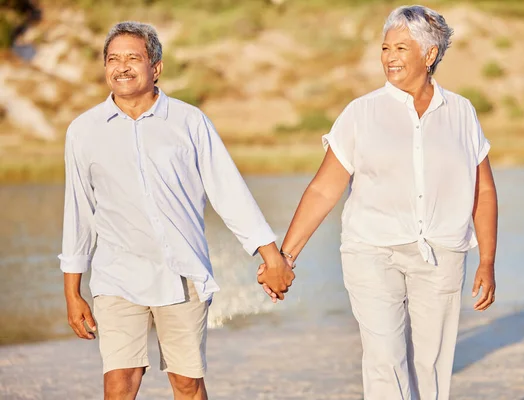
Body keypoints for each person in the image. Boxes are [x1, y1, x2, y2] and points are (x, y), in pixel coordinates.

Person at [258, 5, 498, 400]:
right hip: (371, 250)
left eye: (401, 48)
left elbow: (483, 191)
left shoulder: (462, 113)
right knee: (385, 359)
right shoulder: (361, 113)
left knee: (432, 365)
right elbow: (323, 189)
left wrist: (487, 259)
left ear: (430, 54)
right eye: (386, 48)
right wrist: (284, 258)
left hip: (442, 252)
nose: (389, 58)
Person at [59, 21, 294, 400]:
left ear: (156, 67)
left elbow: (228, 191)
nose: (122, 67)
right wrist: (72, 292)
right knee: (119, 382)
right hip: (117, 276)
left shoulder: (190, 122)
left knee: (186, 384)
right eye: (113, 59)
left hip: (182, 273)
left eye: (133, 58)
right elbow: (78, 212)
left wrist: (271, 255)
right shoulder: (83, 130)